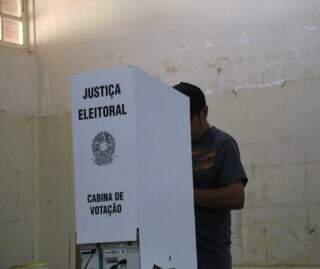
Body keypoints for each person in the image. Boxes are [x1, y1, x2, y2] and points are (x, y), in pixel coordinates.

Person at [173, 82, 248, 269]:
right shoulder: (170, 146)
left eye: (186, 122)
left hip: (210, 258)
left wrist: (187, 194)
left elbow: (236, 197)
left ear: (203, 112)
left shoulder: (223, 145)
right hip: (174, 254)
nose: (180, 129)